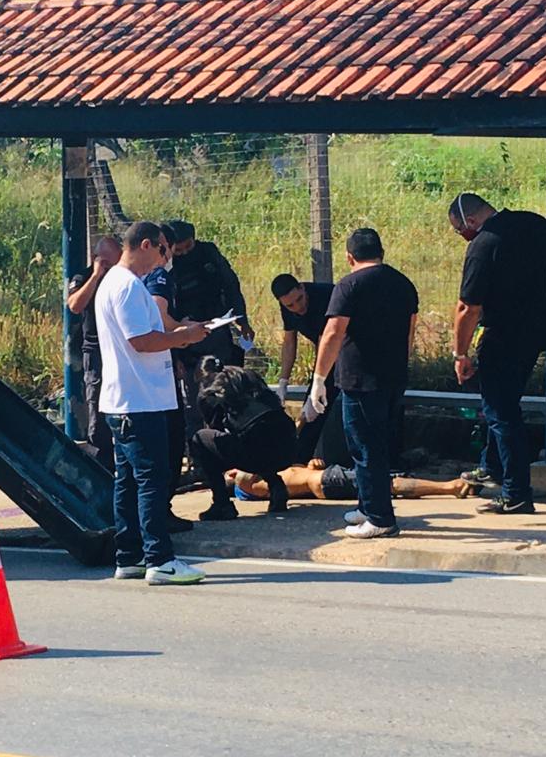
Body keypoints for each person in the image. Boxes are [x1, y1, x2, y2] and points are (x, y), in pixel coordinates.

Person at [96, 221, 209, 585]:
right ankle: (159, 557)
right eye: (162, 250)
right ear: (145, 245)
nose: (164, 259)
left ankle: (129, 555)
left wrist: (178, 335)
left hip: (126, 398)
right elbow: (141, 341)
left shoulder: (116, 283)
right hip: (138, 399)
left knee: (129, 480)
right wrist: (182, 337)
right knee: (152, 479)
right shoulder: (127, 286)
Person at [450, 193, 546, 515]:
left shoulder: (482, 245)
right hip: (535, 333)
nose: (461, 236)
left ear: (472, 221)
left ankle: (517, 493)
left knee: (502, 414)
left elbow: (468, 307)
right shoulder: (531, 222)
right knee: (502, 403)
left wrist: (460, 353)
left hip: (502, 336)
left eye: (459, 230)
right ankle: (490, 465)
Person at [310, 228, 418, 540]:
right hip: (393, 377)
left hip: (360, 379)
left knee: (365, 447)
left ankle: (380, 518)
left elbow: (333, 332)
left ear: (349, 257)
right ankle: (368, 505)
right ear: (381, 251)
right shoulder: (403, 283)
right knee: (376, 444)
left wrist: (319, 379)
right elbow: (411, 331)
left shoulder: (349, 285)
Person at [167, 220, 254, 429]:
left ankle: (223, 438)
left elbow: (230, 284)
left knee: (223, 389)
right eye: (180, 250)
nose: (186, 253)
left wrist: (242, 320)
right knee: (193, 400)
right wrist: (174, 354)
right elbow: (165, 310)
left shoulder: (208, 253)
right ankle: (198, 450)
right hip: (184, 337)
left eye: (189, 246)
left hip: (217, 329)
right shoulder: (167, 266)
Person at [189, 355, 296, 520]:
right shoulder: (249, 376)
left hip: (256, 454)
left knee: (201, 439)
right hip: (289, 449)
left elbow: (216, 435)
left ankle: (222, 503)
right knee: (257, 434)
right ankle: (276, 487)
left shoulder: (209, 393)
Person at [143, 226, 193, 533]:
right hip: (159, 372)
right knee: (172, 439)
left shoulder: (129, 280)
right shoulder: (160, 277)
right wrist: (183, 331)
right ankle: (162, 512)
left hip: (143, 376)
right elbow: (161, 318)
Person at [66, 236, 123, 468]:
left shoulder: (123, 279)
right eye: (107, 264)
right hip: (96, 350)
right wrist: (97, 275)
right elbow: (75, 305)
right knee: (97, 406)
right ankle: (102, 462)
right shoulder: (83, 277)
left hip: (120, 349)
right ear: (96, 259)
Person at [271, 272, 335, 463]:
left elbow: (329, 340)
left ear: (302, 287)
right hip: (325, 355)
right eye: (290, 305)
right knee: (312, 411)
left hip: (348, 350)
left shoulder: (326, 296)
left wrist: (318, 382)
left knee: (318, 401)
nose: (298, 307)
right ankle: (297, 461)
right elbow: (290, 342)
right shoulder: (288, 308)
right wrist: (283, 382)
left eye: (300, 299)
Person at [226, 465, 480, 502]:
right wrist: (236, 474)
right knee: (385, 484)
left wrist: (311, 463)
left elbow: (294, 471)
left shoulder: (263, 475)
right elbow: (248, 474)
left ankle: (451, 486)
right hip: (324, 482)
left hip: (323, 477)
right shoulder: (246, 485)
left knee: (382, 480)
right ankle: (449, 487)